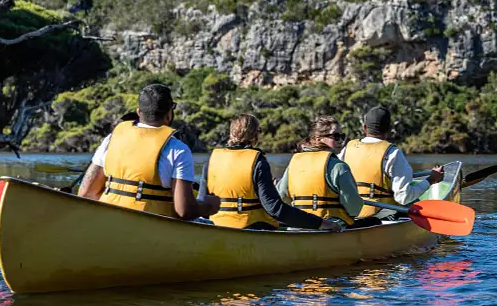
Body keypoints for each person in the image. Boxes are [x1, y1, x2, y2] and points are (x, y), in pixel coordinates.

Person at [78, 84, 220, 220]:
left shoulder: (111, 139)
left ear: (139, 112)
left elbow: (86, 192)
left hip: (109, 221)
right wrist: (209, 206)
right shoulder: (178, 150)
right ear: (169, 114)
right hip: (152, 229)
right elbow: (184, 211)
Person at [200, 114, 340, 231]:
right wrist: (320, 223)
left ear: (231, 133)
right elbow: (275, 209)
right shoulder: (258, 161)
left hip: (217, 227)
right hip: (251, 228)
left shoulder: (212, 160)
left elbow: (203, 204)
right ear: (255, 135)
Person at [340, 106, 444, 218]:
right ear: (389, 130)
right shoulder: (392, 153)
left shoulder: (347, 149)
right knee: (414, 203)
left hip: (348, 212)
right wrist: (430, 180)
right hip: (377, 213)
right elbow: (404, 197)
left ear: (365, 128)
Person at [276, 116, 367, 229]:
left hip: (299, 225)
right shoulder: (339, 167)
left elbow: (282, 196)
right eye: (336, 136)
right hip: (332, 225)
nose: (341, 141)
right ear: (318, 139)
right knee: (374, 221)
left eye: (342, 136)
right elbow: (354, 208)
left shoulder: (293, 163)